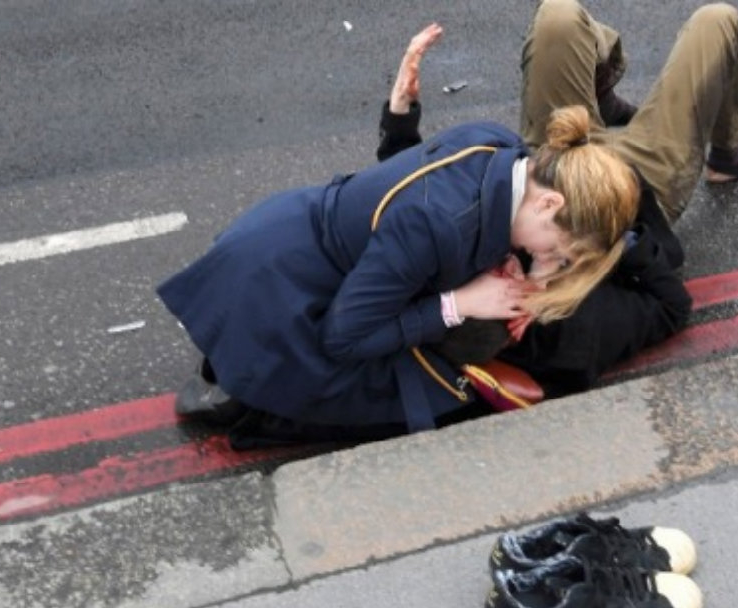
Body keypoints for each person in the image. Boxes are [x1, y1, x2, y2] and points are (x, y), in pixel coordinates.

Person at [158, 92, 640, 446]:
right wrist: (459, 304)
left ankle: (238, 370)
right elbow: (343, 338)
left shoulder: (500, 146)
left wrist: (399, 122)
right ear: (551, 202)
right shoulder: (435, 226)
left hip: (289, 239)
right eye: (559, 250)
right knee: (423, 401)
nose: (551, 262)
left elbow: (407, 187)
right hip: (282, 296)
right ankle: (249, 399)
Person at [379, 1, 738, 399]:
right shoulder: (575, 335)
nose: (507, 265)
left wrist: (400, 116)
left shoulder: (461, 271)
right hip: (638, 180)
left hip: (558, 157)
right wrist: (617, 239)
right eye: (514, 278)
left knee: (558, 16)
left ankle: (598, 99)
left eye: (493, 275)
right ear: (518, 324)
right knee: (717, 20)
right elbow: (672, 307)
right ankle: (727, 151)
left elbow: (414, 199)